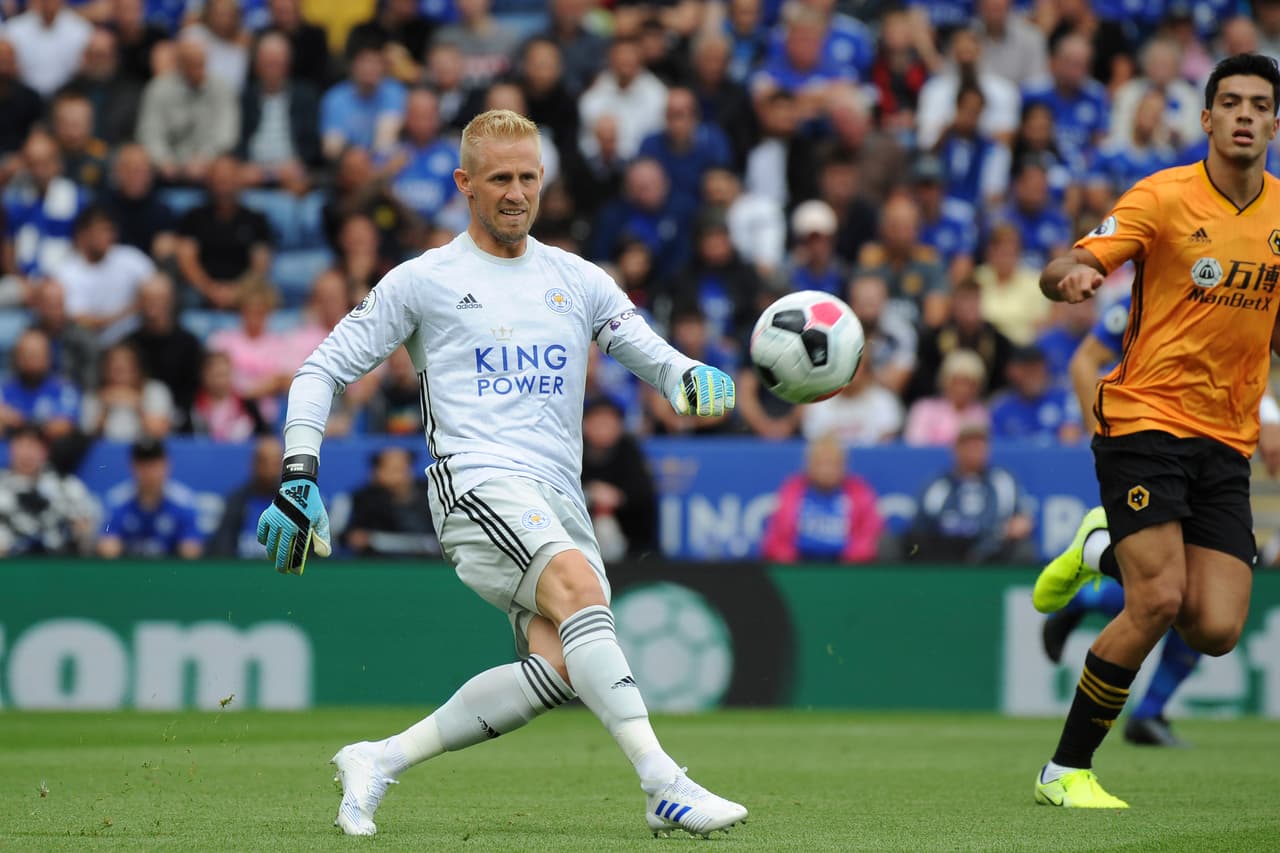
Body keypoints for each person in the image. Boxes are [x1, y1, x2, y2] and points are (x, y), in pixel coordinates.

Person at [255, 109, 746, 838]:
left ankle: (379, 757)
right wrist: (300, 472)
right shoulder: (426, 280)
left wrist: (694, 379)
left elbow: (658, 359)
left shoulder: (576, 279)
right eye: (500, 179)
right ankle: (662, 783)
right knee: (579, 588)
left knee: (559, 665)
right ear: (465, 184)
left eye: (528, 177)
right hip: (473, 483)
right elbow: (320, 367)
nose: (517, 193)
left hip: (556, 496)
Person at [1030, 54, 1280, 809]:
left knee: (1215, 626)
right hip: (1144, 417)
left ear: (1274, 123)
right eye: (1229, 102)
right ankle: (1065, 770)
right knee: (1158, 599)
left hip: (1228, 439)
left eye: (1259, 105)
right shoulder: (1163, 195)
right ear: (1206, 119)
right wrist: (1070, 276)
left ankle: (1097, 546)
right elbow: (1067, 263)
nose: (1244, 114)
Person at [908, 418, 1035, 563]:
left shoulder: (1004, 481)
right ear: (956, 449)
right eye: (969, 444)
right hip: (946, 553)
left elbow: (1023, 519)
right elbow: (921, 526)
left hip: (993, 549)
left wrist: (1020, 523)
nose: (975, 450)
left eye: (980, 444)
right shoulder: (937, 485)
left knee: (1024, 549)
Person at [760, 433, 882, 563]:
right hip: (799, 568)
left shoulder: (859, 492)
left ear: (843, 465)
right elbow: (775, 538)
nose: (826, 471)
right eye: (821, 463)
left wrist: (849, 559)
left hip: (848, 569)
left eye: (832, 464)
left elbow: (870, 536)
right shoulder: (791, 491)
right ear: (809, 465)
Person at [0, 424, 97, 556]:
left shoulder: (66, 485)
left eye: (33, 446)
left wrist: (81, 531)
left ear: (45, 451)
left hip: (60, 565)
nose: (26, 453)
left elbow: (87, 528)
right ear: (10, 449)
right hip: (10, 566)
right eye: (21, 445)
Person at [98, 438, 203, 559]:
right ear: (132, 466)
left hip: (170, 573)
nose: (148, 472)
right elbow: (108, 548)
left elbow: (191, 550)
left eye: (153, 464)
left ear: (166, 465)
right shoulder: (117, 501)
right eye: (142, 465)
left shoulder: (184, 502)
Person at [581, 396, 658, 561]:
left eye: (609, 423)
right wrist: (590, 493)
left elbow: (644, 491)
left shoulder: (629, 449)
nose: (603, 429)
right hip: (581, 529)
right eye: (597, 422)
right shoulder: (573, 448)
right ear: (585, 425)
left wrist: (618, 497)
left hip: (627, 533)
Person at [341, 446, 438, 557]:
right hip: (378, 566)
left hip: (429, 565)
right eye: (394, 470)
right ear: (376, 473)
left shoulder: (432, 493)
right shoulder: (360, 500)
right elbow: (345, 537)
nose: (402, 476)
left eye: (405, 468)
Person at [209, 434, 281, 558]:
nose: (269, 470)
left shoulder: (294, 505)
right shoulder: (236, 502)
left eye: (275, 463)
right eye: (264, 462)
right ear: (254, 464)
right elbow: (223, 547)